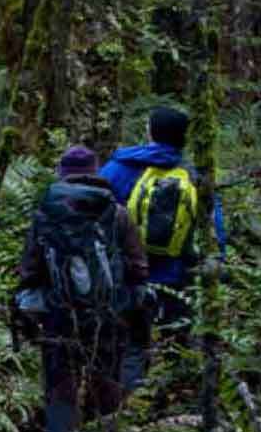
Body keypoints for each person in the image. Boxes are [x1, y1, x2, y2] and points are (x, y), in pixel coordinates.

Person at [18, 144, 149, 432]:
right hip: (109, 311)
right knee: (106, 377)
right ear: (95, 172)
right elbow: (138, 267)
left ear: (62, 174)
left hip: (58, 311)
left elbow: (30, 268)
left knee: (60, 379)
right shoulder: (116, 213)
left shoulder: (46, 213)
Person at [97, 106, 226, 386]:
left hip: (127, 273)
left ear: (150, 132)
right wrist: (218, 262)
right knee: (176, 342)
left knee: (131, 342)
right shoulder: (194, 176)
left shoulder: (119, 168)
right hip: (177, 275)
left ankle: (123, 408)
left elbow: (93, 214)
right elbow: (215, 230)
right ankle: (168, 398)